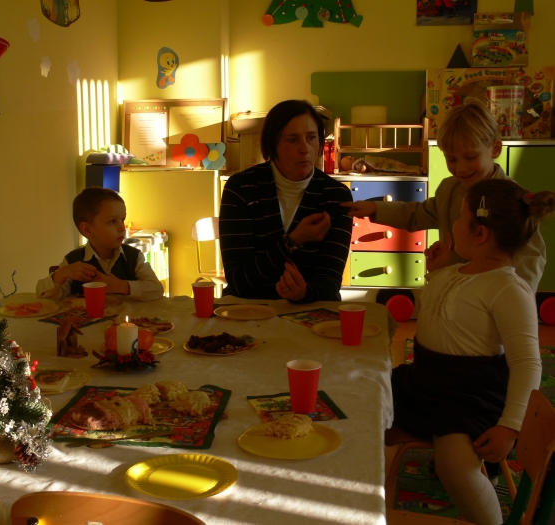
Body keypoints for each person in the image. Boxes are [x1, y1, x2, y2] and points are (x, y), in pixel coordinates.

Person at [390, 179, 555, 525]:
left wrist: (510, 427)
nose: (452, 222)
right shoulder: (454, 271)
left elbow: (527, 363)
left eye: (459, 216)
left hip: (467, 399)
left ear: (479, 233)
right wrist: (435, 274)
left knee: (455, 467)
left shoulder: (509, 289)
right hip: (423, 384)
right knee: (364, 401)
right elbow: (447, 315)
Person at [341, 101, 545, 293]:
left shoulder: (511, 199)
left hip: (492, 299)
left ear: (495, 149)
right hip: (454, 293)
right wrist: (376, 208)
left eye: (471, 157)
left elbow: (531, 258)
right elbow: (418, 214)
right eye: (452, 159)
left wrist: (515, 301)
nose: (461, 168)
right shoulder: (450, 188)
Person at [219, 99, 353, 302]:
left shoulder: (336, 195)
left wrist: (304, 294)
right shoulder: (241, 189)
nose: (305, 148)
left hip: (312, 310)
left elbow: (330, 280)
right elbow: (239, 281)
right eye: (292, 140)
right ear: (272, 143)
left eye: (311, 137)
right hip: (249, 309)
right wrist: (293, 241)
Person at [36, 187, 163, 301]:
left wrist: (120, 286)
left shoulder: (133, 257)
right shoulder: (74, 261)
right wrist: (61, 274)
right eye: (112, 221)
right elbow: (44, 296)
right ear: (87, 230)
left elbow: (156, 290)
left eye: (122, 220)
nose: (122, 228)